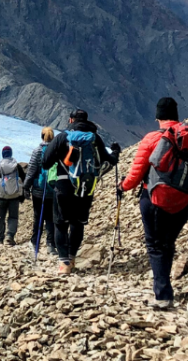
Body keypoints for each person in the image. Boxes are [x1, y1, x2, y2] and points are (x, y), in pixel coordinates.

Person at [120, 98, 188, 310]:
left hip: (154, 199)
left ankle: (163, 294)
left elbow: (136, 172)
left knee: (155, 244)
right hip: (183, 199)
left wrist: (123, 187)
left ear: (158, 117)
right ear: (177, 116)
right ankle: (165, 287)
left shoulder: (153, 138)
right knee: (168, 242)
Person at [40, 109, 114, 274]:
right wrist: (115, 152)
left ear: (71, 120)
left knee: (60, 224)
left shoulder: (62, 137)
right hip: (85, 188)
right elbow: (109, 161)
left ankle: (64, 263)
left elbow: (45, 163)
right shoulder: (95, 139)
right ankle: (72, 257)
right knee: (78, 224)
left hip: (63, 186)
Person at [25, 127, 57, 255]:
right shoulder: (57, 151)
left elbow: (31, 170)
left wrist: (26, 187)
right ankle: (50, 244)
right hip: (53, 190)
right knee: (51, 217)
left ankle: (35, 242)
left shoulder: (38, 151)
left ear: (42, 136)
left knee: (38, 216)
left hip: (38, 190)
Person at [0, 146, 26, 245]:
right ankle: (10, 236)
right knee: (13, 217)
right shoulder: (17, 166)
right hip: (14, 195)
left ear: (2, 154)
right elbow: (24, 179)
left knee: (0, 217)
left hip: (1, 196)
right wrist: (22, 195)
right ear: (11, 154)